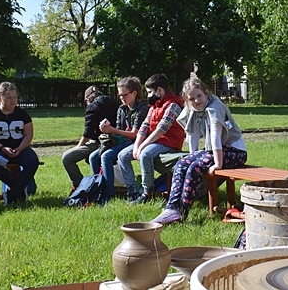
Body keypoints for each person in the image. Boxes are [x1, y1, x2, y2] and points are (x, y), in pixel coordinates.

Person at [151, 75, 247, 225]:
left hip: (235, 151)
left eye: (199, 96)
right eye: (191, 99)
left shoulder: (215, 107)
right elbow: (193, 134)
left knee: (195, 168)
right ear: (187, 100)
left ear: (205, 93)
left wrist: (218, 164)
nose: (196, 100)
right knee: (182, 164)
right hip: (215, 150)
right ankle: (172, 208)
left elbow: (215, 136)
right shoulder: (193, 109)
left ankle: (182, 212)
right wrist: (191, 156)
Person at [118, 73, 185, 204]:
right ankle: (132, 191)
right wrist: (136, 146)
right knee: (123, 156)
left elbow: (161, 129)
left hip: (170, 142)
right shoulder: (154, 106)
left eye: (149, 92)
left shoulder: (173, 105)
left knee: (145, 154)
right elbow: (144, 126)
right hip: (155, 141)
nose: (148, 96)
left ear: (159, 90)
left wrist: (142, 146)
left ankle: (147, 192)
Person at [90, 76, 149, 204]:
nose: (122, 98)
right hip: (124, 141)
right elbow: (119, 131)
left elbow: (134, 135)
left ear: (134, 93)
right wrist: (107, 128)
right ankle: (99, 189)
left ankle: (108, 194)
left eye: (124, 95)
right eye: (120, 95)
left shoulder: (142, 109)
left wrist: (113, 130)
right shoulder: (122, 109)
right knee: (93, 157)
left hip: (138, 142)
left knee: (106, 156)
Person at [0, 82, 40, 204]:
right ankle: (19, 190)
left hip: (19, 148)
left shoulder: (22, 113)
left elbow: (28, 134)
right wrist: (2, 148)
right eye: (8, 97)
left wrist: (20, 148)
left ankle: (12, 194)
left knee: (33, 161)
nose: (12, 100)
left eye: (14, 97)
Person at [62, 85, 119, 191]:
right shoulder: (113, 102)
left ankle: (80, 187)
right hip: (118, 140)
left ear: (87, 100)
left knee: (67, 158)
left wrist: (78, 147)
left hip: (103, 142)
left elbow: (87, 134)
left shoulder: (92, 107)